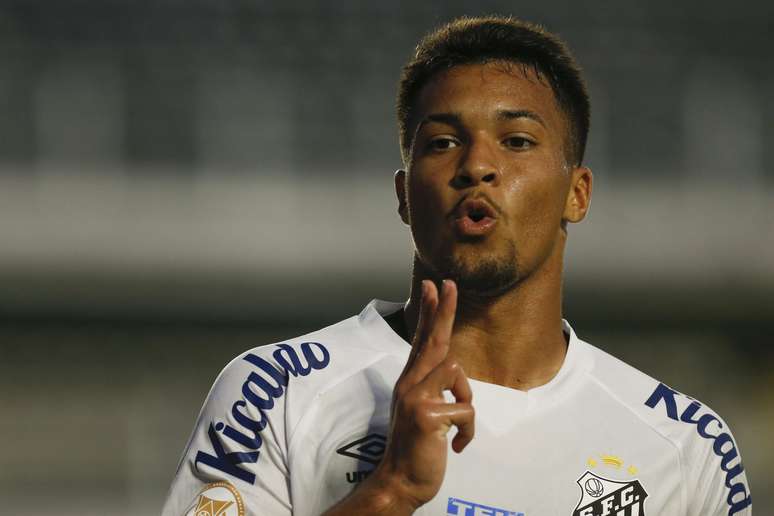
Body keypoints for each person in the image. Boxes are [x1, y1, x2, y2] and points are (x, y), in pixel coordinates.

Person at [162, 15, 752, 516]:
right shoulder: (276, 392)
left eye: (517, 141)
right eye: (442, 142)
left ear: (579, 192)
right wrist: (390, 492)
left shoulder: (686, 448)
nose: (477, 166)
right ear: (403, 195)